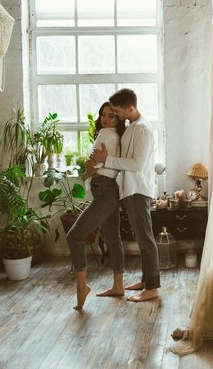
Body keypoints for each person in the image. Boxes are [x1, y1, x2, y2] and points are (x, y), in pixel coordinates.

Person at [89, 88, 159, 302]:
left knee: (145, 240)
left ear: (130, 108)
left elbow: (137, 164)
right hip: (129, 189)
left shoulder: (144, 130)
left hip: (138, 189)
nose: (116, 115)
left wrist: (106, 159)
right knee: (141, 238)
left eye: (118, 111)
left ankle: (152, 288)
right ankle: (146, 281)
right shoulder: (132, 128)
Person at [66, 102, 126, 311]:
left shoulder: (105, 134)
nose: (106, 119)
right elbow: (96, 163)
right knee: (113, 238)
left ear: (118, 119)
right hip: (110, 190)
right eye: (103, 115)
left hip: (104, 191)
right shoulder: (117, 136)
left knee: (74, 236)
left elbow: (92, 165)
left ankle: (82, 287)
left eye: (112, 116)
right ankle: (118, 285)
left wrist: (87, 169)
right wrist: (90, 167)